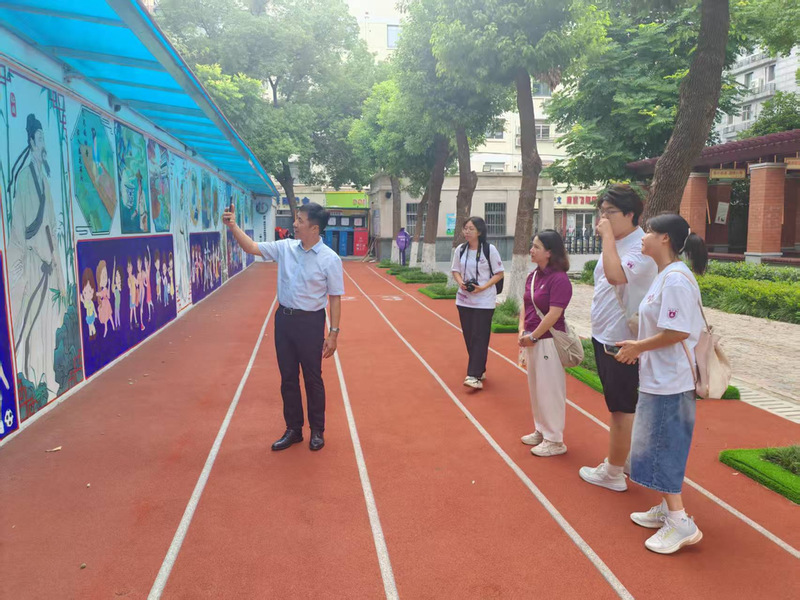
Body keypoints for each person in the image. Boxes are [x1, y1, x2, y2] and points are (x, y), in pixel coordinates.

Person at [614, 213, 708, 554]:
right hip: (659, 377)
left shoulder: (676, 280)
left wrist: (638, 347)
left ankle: (680, 522)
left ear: (665, 238)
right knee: (654, 446)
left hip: (672, 381)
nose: (643, 236)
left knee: (664, 448)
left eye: (649, 231)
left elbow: (678, 331)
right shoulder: (665, 274)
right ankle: (668, 509)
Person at [223, 202, 343, 452]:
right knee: (288, 377)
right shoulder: (285, 248)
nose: (294, 224)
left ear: (314, 228)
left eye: (300, 220)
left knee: (312, 378)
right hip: (284, 321)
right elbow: (252, 247)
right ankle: (293, 429)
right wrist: (232, 226)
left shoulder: (330, 259)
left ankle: (317, 430)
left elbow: (335, 297)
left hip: (310, 323)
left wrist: (333, 334)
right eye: (296, 219)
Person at [579, 185, 657, 491]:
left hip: (623, 340)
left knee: (622, 407)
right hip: (605, 333)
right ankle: (626, 459)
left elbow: (615, 276)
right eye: (602, 211)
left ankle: (612, 472)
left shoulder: (641, 247)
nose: (603, 218)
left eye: (610, 212)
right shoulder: (620, 242)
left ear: (630, 213)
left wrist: (607, 237)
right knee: (619, 403)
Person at [518, 230, 572, 457]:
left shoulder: (559, 279)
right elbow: (525, 306)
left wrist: (534, 336)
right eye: (532, 245)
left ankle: (555, 439)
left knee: (550, 390)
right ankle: (541, 429)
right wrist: (522, 331)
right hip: (531, 338)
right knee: (536, 388)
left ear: (549, 252)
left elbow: (554, 313)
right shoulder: (533, 277)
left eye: (536, 247)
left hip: (547, 340)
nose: (531, 250)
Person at [450, 217, 504, 390]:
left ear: (479, 232)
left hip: (484, 301)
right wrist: (461, 283)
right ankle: (479, 369)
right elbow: (455, 270)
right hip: (464, 300)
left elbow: (499, 273)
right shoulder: (460, 249)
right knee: (469, 337)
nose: (467, 232)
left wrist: (482, 287)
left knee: (480, 336)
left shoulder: (490, 250)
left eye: (471, 229)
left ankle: (473, 375)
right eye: (465, 228)